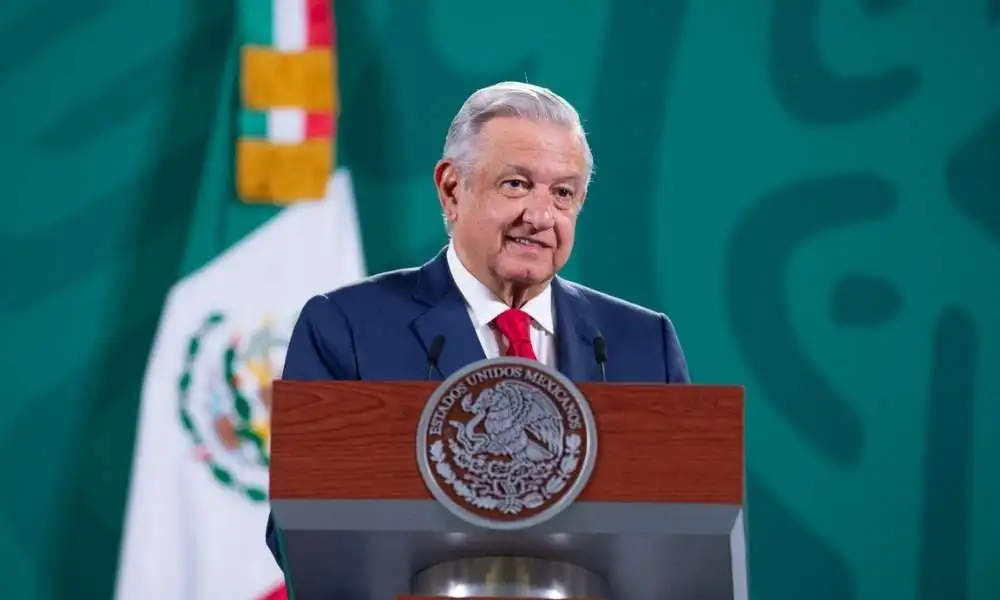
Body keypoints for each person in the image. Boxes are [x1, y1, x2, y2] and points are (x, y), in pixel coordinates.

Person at [265, 81, 689, 568]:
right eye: (516, 184)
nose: (540, 216)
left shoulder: (642, 344)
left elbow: (683, 533)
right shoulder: (347, 328)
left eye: (563, 193)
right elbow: (303, 530)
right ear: (451, 189)